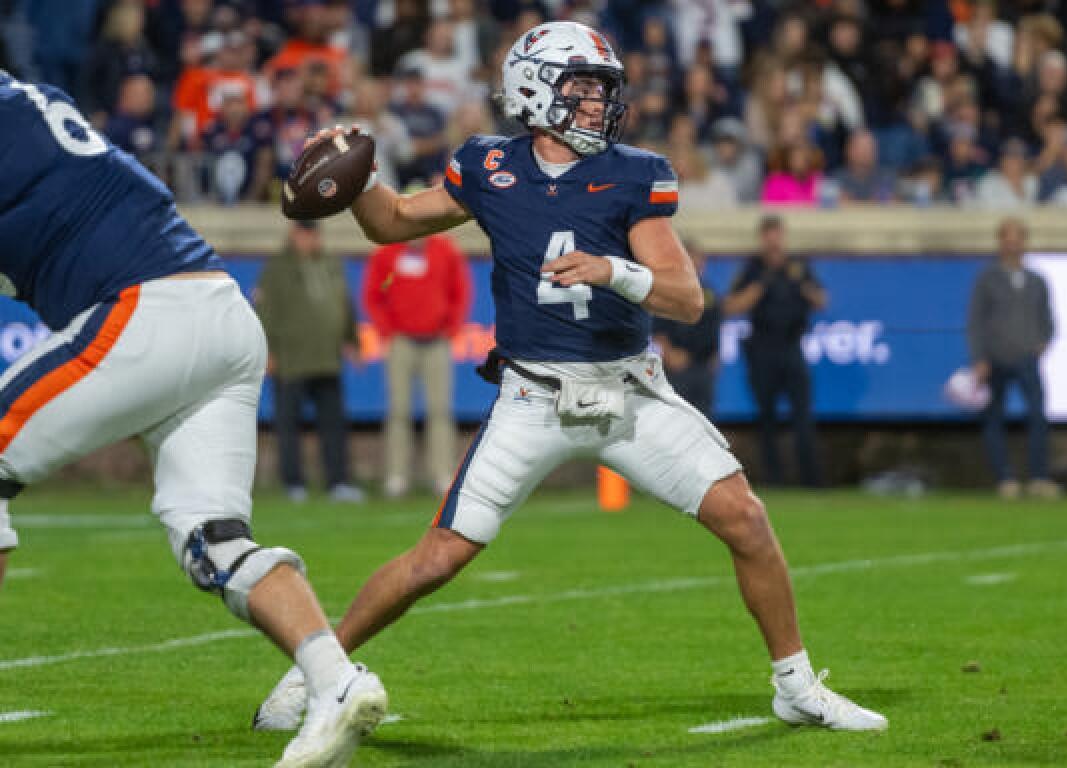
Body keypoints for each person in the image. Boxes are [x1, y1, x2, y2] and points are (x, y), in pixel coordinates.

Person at [253, 21, 885, 734]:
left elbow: (686, 298)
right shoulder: (489, 165)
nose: (597, 102)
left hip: (628, 395)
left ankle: (795, 685)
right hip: (532, 398)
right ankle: (318, 674)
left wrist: (613, 269)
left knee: (746, 518)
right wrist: (359, 179)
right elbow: (392, 223)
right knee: (435, 560)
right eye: (582, 86)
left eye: (601, 89)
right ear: (532, 89)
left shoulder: (634, 173)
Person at [0, 71, 384, 766]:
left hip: (143, 310)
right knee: (216, 540)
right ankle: (336, 681)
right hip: (220, 312)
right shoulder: (36, 104)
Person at [256, 220, 365, 504]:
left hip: (327, 357)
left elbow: (345, 304)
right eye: (305, 234)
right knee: (288, 424)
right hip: (291, 358)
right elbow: (265, 311)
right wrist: (268, 351)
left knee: (334, 424)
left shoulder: (331, 263)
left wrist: (352, 340)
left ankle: (338, 481)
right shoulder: (277, 268)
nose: (310, 240)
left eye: (314, 234)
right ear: (294, 235)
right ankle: (293, 482)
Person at [362, 233, 471, 498]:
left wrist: (451, 327)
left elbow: (460, 290)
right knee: (399, 411)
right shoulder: (388, 254)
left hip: (437, 341)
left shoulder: (445, 251)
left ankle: (442, 474)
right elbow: (374, 293)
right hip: (401, 341)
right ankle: (397, 475)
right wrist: (387, 331)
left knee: (440, 411)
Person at [724, 215, 827, 487]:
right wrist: (757, 289)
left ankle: (811, 479)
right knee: (766, 418)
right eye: (769, 236)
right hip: (762, 349)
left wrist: (804, 287)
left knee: (803, 415)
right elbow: (731, 306)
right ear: (762, 238)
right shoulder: (752, 268)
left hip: (792, 347)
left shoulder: (798, 266)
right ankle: (774, 479)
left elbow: (822, 300)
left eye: (777, 235)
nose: (774, 242)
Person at [967, 218, 1059, 499]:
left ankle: (1039, 477)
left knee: (1037, 416)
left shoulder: (1037, 280)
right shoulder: (987, 278)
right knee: (994, 419)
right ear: (1000, 243)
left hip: (1027, 358)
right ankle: (1004, 478)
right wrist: (980, 357)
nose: (1013, 245)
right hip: (996, 358)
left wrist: (1042, 341)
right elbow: (976, 321)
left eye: (1018, 239)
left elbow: (1048, 318)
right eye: (1008, 239)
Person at [652, 239, 722, 417]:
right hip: (679, 365)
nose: (696, 264)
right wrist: (669, 354)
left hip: (703, 366)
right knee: (678, 417)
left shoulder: (710, 294)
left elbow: (715, 326)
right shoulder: (669, 292)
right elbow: (658, 329)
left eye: (699, 260)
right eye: (691, 259)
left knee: (705, 418)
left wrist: (715, 355)